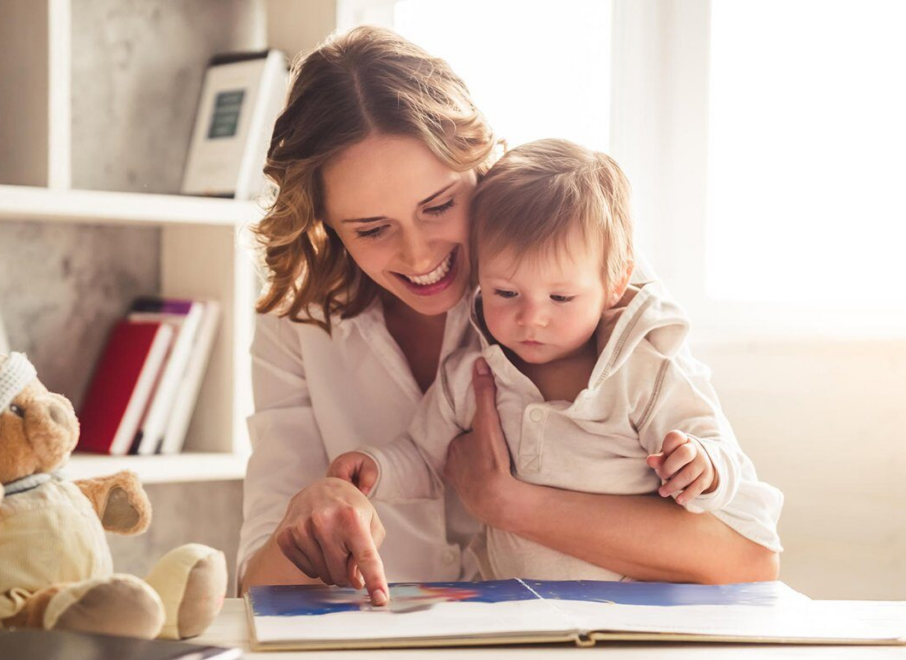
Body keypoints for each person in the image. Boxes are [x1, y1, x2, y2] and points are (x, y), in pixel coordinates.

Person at [238, 26, 780, 607]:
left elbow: (748, 555)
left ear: (478, 163)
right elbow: (259, 585)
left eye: (439, 205)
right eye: (372, 229)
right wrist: (308, 517)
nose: (419, 257)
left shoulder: (575, 266)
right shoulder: (295, 321)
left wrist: (508, 503)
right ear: (324, 222)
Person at [327, 138, 783, 582]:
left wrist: (702, 464)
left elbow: (716, 451)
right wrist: (377, 468)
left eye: (561, 297)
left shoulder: (648, 371)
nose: (531, 318)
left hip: (643, 610)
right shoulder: (471, 375)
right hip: (521, 612)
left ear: (615, 281)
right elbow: (423, 457)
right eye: (505, 293)